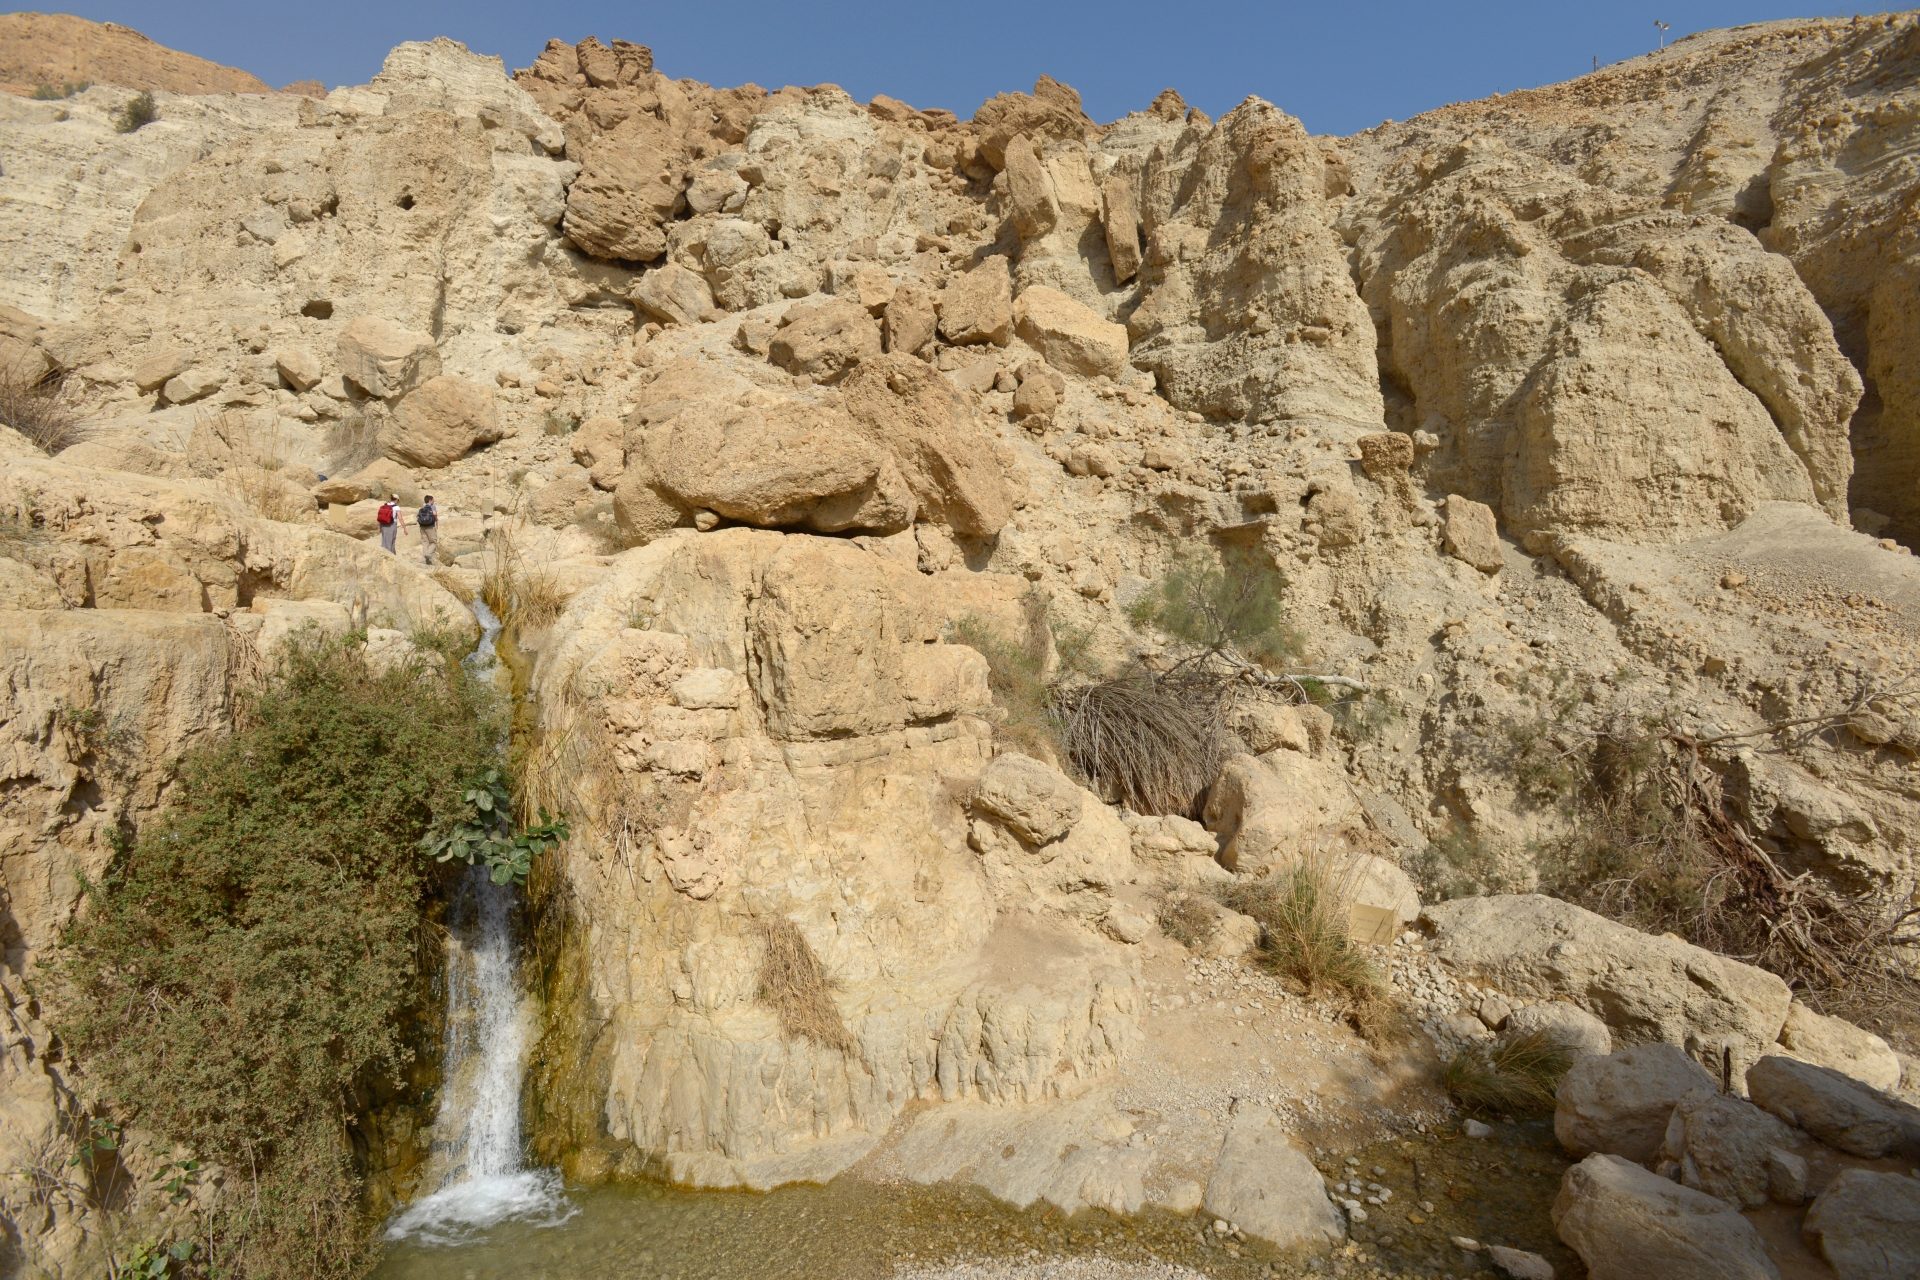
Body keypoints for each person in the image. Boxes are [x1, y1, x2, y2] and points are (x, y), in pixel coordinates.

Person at [417, 495, 440, 566]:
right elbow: (435, 515)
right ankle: (428, 554)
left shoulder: (422, 507)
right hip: (430, 526)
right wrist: (436, 522)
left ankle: (425, 560)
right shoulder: (432, 507)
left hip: (422, 527)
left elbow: (418, 516)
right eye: (433, 500)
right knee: (433, 542)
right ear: (430, 500)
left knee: (425, 542)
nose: (434, 501)